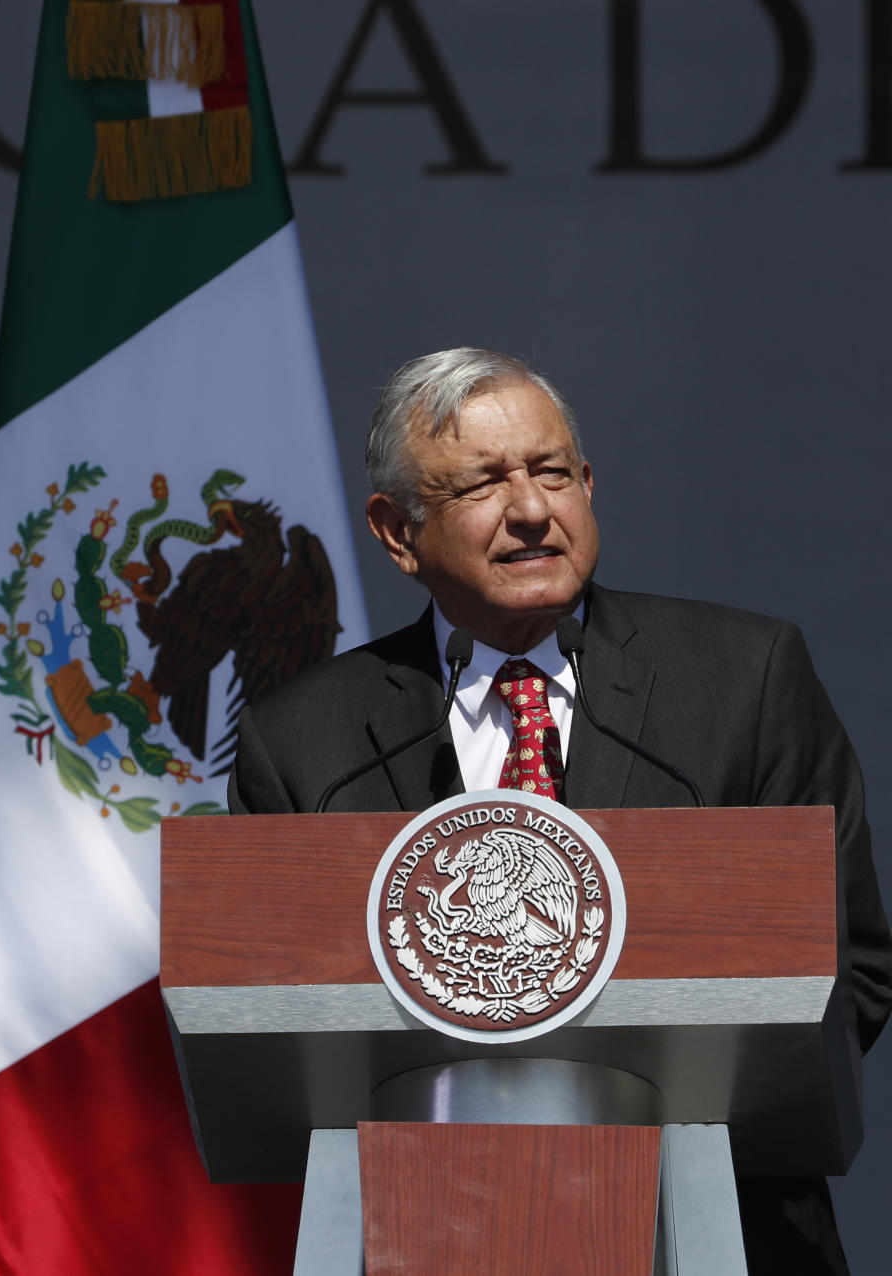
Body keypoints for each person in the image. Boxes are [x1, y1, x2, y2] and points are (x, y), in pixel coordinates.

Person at [228, 347, 892, 1273]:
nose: (533, 510)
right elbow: (267, 1023)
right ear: (397, 531)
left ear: (589, 484)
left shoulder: (743, 679)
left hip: (716, 1227)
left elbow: (847, 967)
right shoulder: (308, 745)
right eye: (483, 484)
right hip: (425, 1235)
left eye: (552, 472)